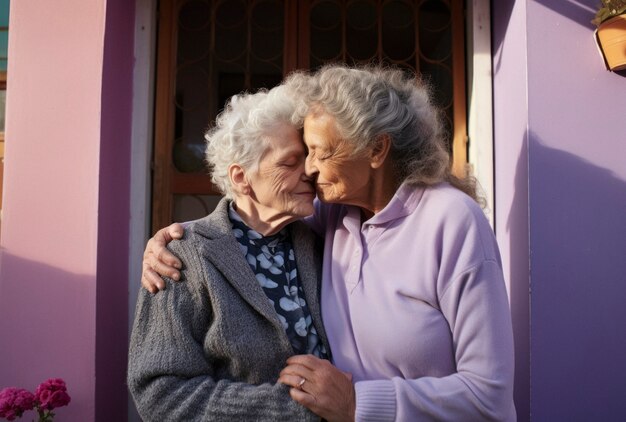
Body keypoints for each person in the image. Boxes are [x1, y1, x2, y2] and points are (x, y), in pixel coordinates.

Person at [143, 64, 516, 421]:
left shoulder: (451, 220)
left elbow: (489, 395)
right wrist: (175, 239)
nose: (309, 169)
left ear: (376, 150)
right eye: (300, 157)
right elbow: (252, 214)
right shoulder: (334, 214)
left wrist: (356, 403)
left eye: (320, 152)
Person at [128, 85, 330, 421]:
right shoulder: (185, 254)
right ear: (241, 177)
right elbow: (161, 394)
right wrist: (298, 408)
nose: (308, 172)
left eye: (307, 160)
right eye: (290, 162)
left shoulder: (323, 238)